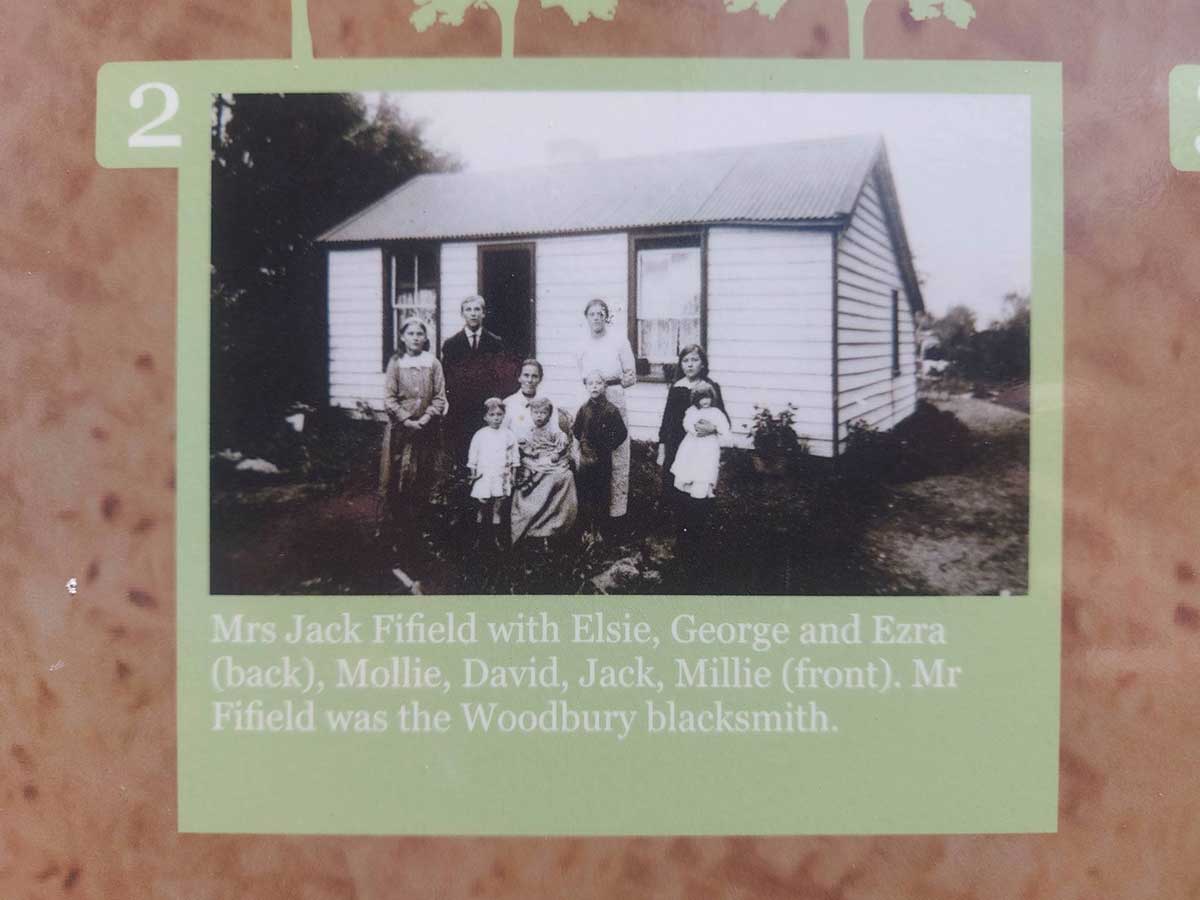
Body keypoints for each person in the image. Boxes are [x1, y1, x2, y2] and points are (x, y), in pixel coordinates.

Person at [379, 317, 447, 545]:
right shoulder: (396, 363)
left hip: (428, 429)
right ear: (402, 337)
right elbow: (389, 399)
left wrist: (426, 418)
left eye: (420, 334)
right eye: (411, 334)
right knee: (398, 474)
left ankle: (423, 527)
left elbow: (439, 397)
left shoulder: (433, 363)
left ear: (425, 337)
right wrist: (407, 420)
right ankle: (398, 528)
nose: (415, 338)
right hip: (401, 431)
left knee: (426, 475)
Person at [574, 298, 636, 522]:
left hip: (613, 398)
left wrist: (613, 386)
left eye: (601, 314)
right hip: (590, 398)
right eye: (592, 314)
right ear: (587, 318)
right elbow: (582, 375)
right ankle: (590, 516)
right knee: (589, 451)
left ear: (606, 317)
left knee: (616, 453)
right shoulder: (581, 344)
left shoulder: (619, 341)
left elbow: (631, 375)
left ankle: (616, 514)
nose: (596, 318)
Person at [669, 381, 732, 584]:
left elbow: (725, 432)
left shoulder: (717, 413)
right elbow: (688, 425)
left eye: (708, 397)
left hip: (708, 451)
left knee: (703, 480)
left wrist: (714, 428)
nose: (705, 402)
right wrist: (698, 428)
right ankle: (687, 526)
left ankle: (700, 512)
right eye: (701, 398)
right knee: (687, 478)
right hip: (691, 449)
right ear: (695, 399)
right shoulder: (691, 412)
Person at [441, 294, 514, 466]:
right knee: (462, 455)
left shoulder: (495, 343)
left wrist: (494, 402)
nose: (473, 313)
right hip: (460, 409)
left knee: (487, 453)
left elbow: (500, 376)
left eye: (477, 309)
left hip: (485, 409)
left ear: (483, 313)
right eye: (468, 310)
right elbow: (447, 378)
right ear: (462, 314)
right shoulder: (451, 344)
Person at [657, 343, 727, 496]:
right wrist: (662, 448)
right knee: (673, 485)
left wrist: (713, 428)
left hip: (701, 445)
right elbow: (666, 420)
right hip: (675, 444)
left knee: (698, 485)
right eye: (685, 360)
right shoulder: (676, 387)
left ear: (703, 364)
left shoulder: (710, 387)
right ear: (681, 364)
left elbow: (723, 418)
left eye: (695, 360)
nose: (690, 364)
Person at [511, 396, 577, 546]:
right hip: (534, 459)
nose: (539, 416)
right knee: (528, 468)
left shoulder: (554, 430)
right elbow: (526, 447)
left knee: (563, 474)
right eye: (536, 413)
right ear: (531, 414)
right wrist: (526, 447)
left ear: (548, 415)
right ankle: (528, 528)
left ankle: (552, 526)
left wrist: (556, 454)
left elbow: (561, 445)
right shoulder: (529, 430)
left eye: (543, 413)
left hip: (549, 458)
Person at [573, 370, 629, 541]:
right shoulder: (584, 409)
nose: (594, 387)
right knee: (585, 493)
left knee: (602, 493)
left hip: (603, 460)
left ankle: (600, 531)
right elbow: (576, 430)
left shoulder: (611, 410)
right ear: (586, 387)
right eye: (591, 383)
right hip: (586, 459)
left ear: (605, 386)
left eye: (598, 383)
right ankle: (586, 530)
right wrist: (585, 445)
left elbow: (621, 433)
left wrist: (607, 446)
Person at [467, 397, 520, 546]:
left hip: (501, 476)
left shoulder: (508, 434)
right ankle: (479, 537)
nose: (496, 418)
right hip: (484, 476)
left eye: (499, 414)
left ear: (504, 415)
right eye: (492, 415)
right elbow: (473, 456)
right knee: (482, 506)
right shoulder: (480, 434)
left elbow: (515, 457)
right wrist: (473, 474)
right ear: (485, 417)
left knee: (498, 508)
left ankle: (496, 539)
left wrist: (513, 476)